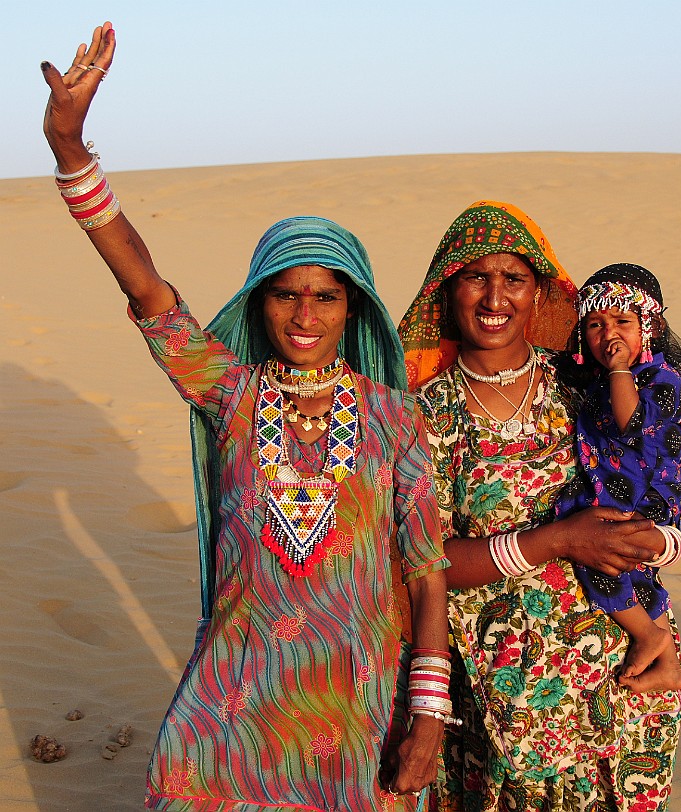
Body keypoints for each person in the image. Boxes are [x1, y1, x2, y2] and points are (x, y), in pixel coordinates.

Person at [41, 23, 452, 811]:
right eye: (285, 292)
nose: (304, 313)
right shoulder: (229, 393)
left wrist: (428, 710)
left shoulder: (394, 418)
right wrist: (70, 151)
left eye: (325, 296)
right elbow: (147, 289)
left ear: (352, 306)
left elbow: (426, 570)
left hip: (354, 706)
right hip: (231, 699)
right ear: (259, 300)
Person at [398, 201, 681, 811]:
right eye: (476, 277)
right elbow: (425, 563)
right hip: (505, 698)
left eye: (514, 279)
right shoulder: (421, 417)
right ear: (447, 293)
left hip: (621, 675)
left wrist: (664, 547)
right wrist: (558, 540)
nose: (494, 297)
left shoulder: (586, 383)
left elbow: (654, 478)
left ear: (541, 296)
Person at [554, 263, 681, 692]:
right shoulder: (601, 381)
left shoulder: (660, 379)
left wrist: (619, 372)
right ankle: (670, 663)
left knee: (599, 563)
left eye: (622, 322)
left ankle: (649, 634)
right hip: (617, 494)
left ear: (649, 329)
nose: (608, 335)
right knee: (637, 575)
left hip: (644, 499)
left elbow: (630, 424)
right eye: (595, 325)